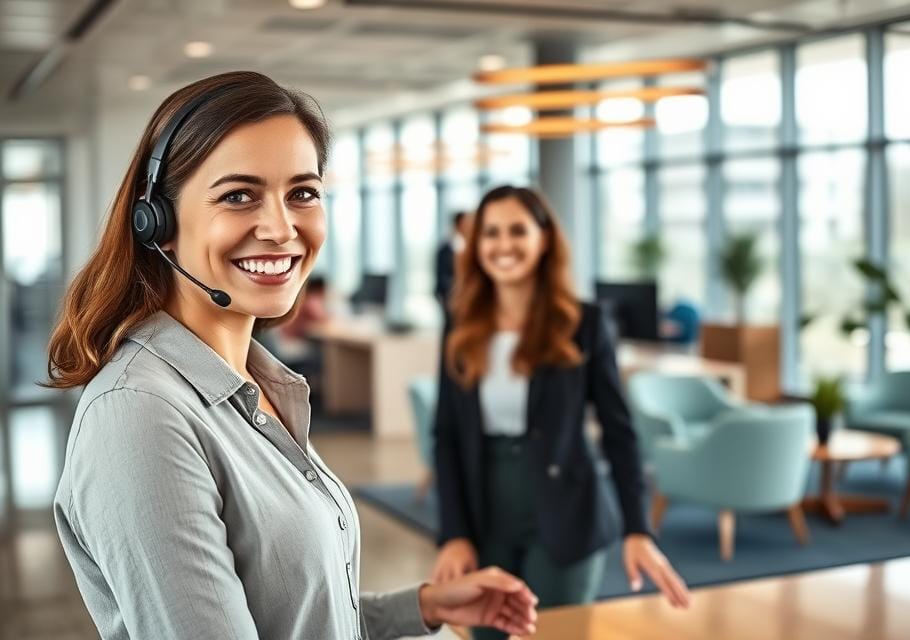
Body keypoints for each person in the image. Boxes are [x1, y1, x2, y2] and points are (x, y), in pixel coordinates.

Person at [46, 71, 537, 640]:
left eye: (302, 193)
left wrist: (422, 606)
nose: (281, 229)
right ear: (158, 222)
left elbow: (293, 616)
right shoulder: (139, 415)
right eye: (239, 195)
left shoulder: (257, 386)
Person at [431, 185, 691, 640]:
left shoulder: (583, 323)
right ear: (476, 244)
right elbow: (447, 434)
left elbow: (619, 432)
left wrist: (638, 529)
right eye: (491, 232)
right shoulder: (460, 323)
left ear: (545, 238)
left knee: (552, 634)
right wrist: (454, 532)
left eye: (518, 230)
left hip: (567, 512)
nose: (504, 244)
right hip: (484, 512)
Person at [435, 210, 472, 306]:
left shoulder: (472, 247)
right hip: (451, 299)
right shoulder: (446, 249)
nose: (470, 226)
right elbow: (442, 278)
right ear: (458, 224)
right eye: (466, 223)